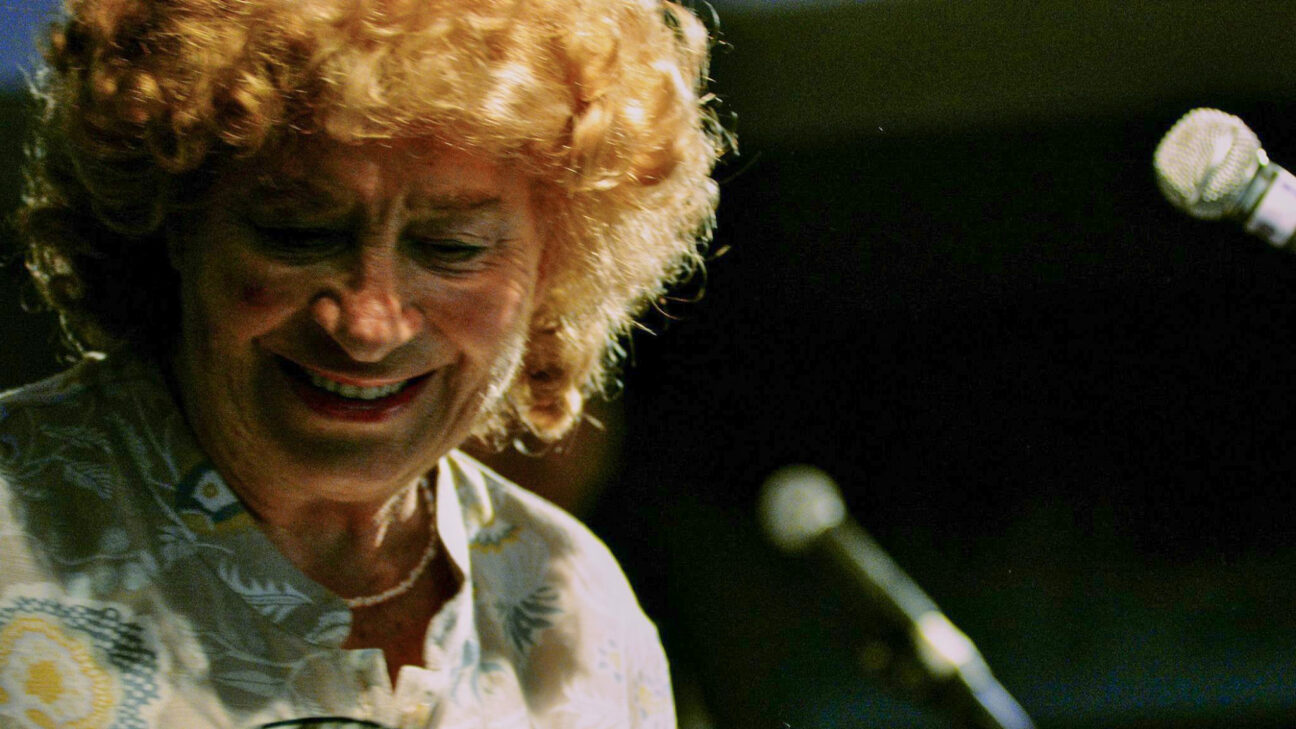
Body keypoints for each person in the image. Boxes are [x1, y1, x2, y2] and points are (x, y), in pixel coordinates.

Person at [0, 0, 727, 726]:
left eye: (451, 248)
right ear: (173, 223)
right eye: (299, 234)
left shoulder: (579, 610)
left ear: (555, 262)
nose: (368, 327)